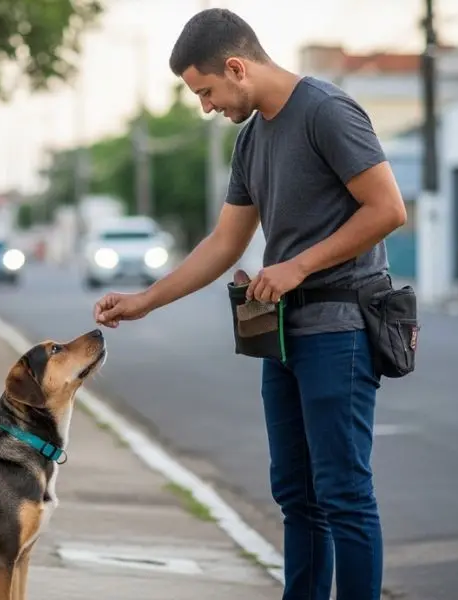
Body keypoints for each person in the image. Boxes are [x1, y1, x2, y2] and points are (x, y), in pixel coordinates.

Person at [92, 8, 407, 600]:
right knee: (295, 494)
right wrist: (145, 301)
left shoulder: (327, 111)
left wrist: (297, 264)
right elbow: (225, 242)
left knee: (343, 493)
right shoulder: (251, 140)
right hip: (282, 332)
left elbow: (388, 208)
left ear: (236, 67)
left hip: (339, 329)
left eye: (206, 91)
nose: (206, 106)